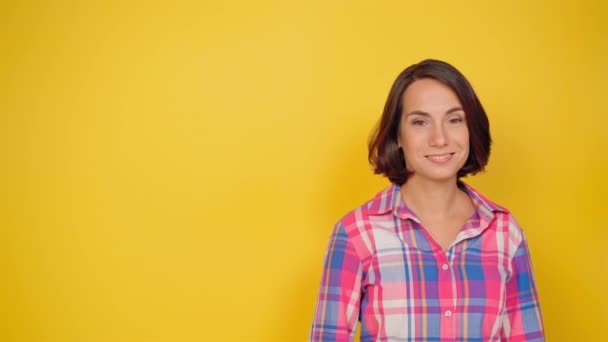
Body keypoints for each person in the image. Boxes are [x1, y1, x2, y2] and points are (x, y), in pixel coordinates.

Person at [309, 59, 544, 341]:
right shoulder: (356, 233)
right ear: (398, 135)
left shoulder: (505, 233)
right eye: (420, 122)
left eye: (454, 120)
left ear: (472, 129)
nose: (440, 138)